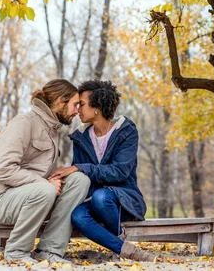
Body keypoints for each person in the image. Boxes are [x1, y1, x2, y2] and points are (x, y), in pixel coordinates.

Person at [0, 79, 90, 263]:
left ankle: (49, 250)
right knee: (46, 189)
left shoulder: (51, 128)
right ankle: (17, 252)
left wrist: (59, 176)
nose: (77, 110)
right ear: (60, 101)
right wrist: (44, 183)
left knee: (80, 180)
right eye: (75, 104)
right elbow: (3, 169)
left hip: (36, 197)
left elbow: (36, 172)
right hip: (2, 201)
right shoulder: (24, 123)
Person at [50, 80, 156, 261]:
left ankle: (119, 244)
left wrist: (79, 168)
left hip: (124, 200)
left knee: (102, 196)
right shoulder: (80, 138)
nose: (78, 110)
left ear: (97, 106)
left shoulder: (126, 131)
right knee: (78, 216)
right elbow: (81, 177)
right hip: (93, 200)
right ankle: (124, 248)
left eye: (81, 104)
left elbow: (119, 172)